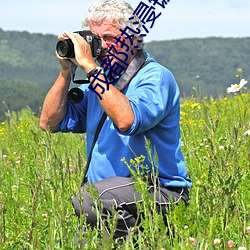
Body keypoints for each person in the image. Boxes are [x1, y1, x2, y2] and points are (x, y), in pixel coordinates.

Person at [40, 0, 192, 244]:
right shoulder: (98, 83)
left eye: (109, 37)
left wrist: (90, 67)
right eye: (95, 37)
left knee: (88, 200)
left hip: (160, 192)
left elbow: (127, 120)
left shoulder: (154, 77)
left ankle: (146, 241)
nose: (101, 46)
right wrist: (66, 70)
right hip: (110, 199)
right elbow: (49, 123)